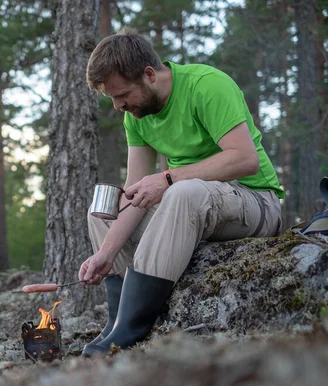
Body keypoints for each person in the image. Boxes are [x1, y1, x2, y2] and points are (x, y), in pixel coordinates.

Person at [79, 27, 284, 357]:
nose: (118, 106)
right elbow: (135, 195)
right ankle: (119, 321)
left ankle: (133, 325)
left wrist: (168, 178)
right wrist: (107, 252)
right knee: (108, 208)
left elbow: (244, 159)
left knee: (182, 192)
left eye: (122, 95)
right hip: (193, 204)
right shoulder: (137, 113)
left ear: (149, 75)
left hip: (255, 203)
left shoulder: (207, 86)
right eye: (111, 99)